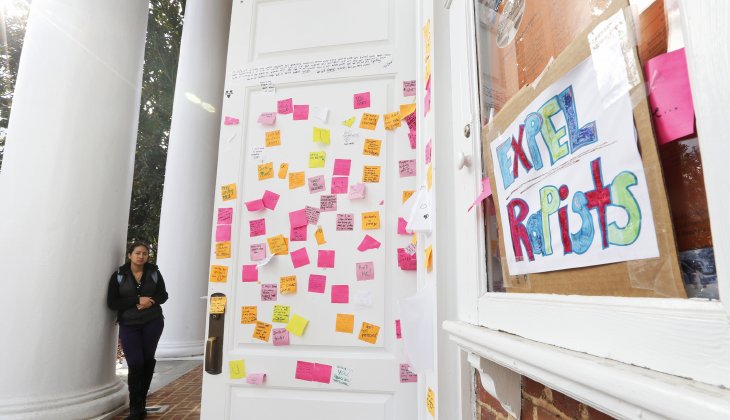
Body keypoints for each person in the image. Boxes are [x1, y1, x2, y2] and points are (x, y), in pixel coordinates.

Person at [107, 242, 169, 419]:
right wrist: (137, 300)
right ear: (130, 255)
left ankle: (140, 407)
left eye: (144, 254)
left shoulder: (154, 272)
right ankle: (135, 407)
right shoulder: (119, 275)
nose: (141, 256)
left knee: (147, 360)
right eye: (137, 253)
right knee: (135, 363)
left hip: (153, 322)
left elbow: (163, 295)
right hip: (129, 324)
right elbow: (112, 302)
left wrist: (151, 301)